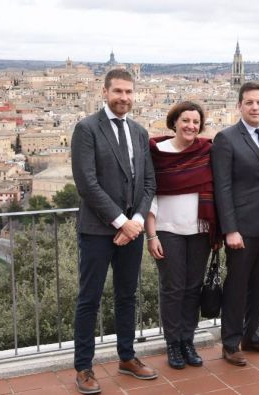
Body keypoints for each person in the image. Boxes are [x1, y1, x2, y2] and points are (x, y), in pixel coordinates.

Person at [71, 68, 157, 394]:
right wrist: (123, 222)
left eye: (128, 92)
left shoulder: (139, 131)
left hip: (131, 229)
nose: (124, 98)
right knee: (89, 299)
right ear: (104, 92)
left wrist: (134, 220)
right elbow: (86, 183)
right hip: (97, 230)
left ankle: (127, 356)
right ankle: (83, 367)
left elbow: (148, 181)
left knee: (127, 295)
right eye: (118, 91)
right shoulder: (87, 128)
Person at [212, 81, 259, 367]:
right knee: (237, 285)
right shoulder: (226, 138)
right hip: (241, 226)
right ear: (239, 106)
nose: (255, 107)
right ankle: (230, 342)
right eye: (249, 102)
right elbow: (222, 187)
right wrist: (230, 229)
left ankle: (252, 335)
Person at [145, 101, 218, 370]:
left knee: (192, 288)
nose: (191, 126)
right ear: (174, 122)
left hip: (199, 230)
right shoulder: (158, 152)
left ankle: (188, 340)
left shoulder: (206, 151)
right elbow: (149, 193)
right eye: (186, 120)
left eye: (196, 122)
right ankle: (173, 343)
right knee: (172, 288)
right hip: (167, 230)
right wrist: (151, 235)